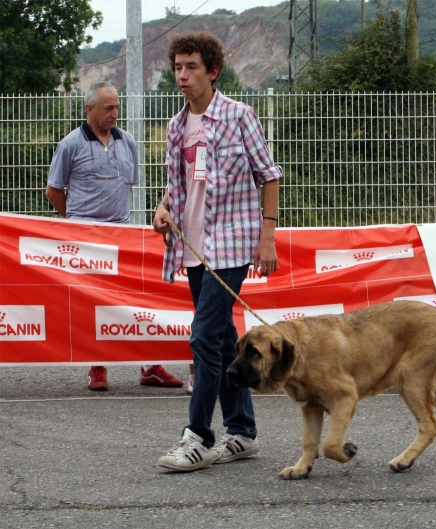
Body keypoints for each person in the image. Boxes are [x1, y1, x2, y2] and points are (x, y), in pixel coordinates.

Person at [153, 32, 282, 471]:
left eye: (191, 67)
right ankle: (243, 431)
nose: (182, 76)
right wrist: (163, 208)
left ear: (212, 71)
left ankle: (198, 437)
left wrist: (268, 234)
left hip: (230, 243)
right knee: (225, 339)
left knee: (204, 337)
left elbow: (268, 175)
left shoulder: (238, 115)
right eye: (177, 68)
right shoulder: (175, 126)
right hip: (191, 246)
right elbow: (178, 187)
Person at [45, 81, 184, 392]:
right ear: (89, 109)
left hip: (121, 234)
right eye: (108, 108)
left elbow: (128, 185)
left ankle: (150, 365)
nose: (115, 113)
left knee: (137, 301)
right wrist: (75, 221)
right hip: (85, 238)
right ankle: (97, 366)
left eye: (117, 107)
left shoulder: (128, 142)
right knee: (90, 304)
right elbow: (53, 191)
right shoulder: (70, 144)